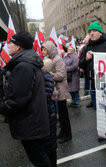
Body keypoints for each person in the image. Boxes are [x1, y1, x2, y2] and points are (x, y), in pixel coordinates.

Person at [0, 31, 52, 166]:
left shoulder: (23, 66)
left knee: (38, 158)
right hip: (33, 121)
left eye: (11, 42)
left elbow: (18, 100)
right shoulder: (26, 62)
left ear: (18, 47)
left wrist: (2, 108)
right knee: (40, 156)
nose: (8, 45)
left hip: (30, 123)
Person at [78, 21, 106, 110]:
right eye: (90, 31)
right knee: (98, 110)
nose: (92, 33)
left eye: (94, 30)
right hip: (93, 85)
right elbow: (80, 64)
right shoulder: (86, 48)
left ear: (100, 32)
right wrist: (86, 59)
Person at [42, 41, 72, 144]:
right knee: (60, 113)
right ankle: (63, 132)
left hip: (61, 90)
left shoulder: (58, 59)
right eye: (42, 49)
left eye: (44, 49)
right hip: (56, 90)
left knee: (64, 114)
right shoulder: (51, 59)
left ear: (50, 49)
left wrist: (49, 73)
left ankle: (67, 134)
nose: (43, 51)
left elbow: (61, 75)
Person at [41, 58, 57, 167]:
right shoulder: (46, 77)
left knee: (50, 146)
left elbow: (45, 97)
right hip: (49, 114)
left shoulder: (46, 78)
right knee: (49, 144)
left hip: (48, 115)